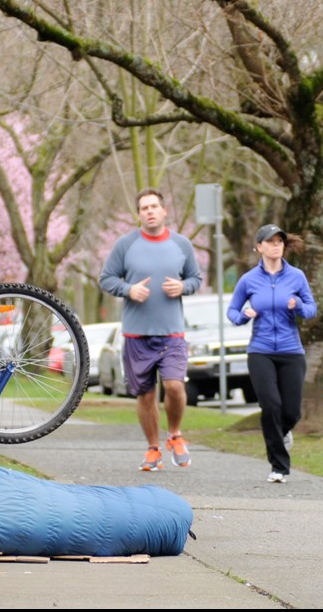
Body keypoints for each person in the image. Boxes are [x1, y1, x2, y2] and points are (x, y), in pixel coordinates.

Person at [100, 189, 203, 471]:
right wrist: (128, 289)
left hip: (172, 332)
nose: (150, 211)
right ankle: (153, 449)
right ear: (139, 214)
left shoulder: (181, 244)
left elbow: (195, 278)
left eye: (154, 206)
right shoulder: (126, 244)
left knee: (174, 386)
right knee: (145, 395)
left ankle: (175, 434)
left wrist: (183, 287)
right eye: (144, 207)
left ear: (164, 210)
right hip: (136, 334)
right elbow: (106, 278)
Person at [227, 223, 316, 484]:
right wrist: (244, 315)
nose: (276, 245)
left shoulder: (296, 277)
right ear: (259, 247)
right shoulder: (249, 280)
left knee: (291, 412)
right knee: (270, 406)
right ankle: (279, 467)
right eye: (271, 241)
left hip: (291, 350)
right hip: (261, 351)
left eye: (280, 241)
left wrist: (298, 304)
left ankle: (282, 432)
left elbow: (311, 309)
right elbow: (232, 312)